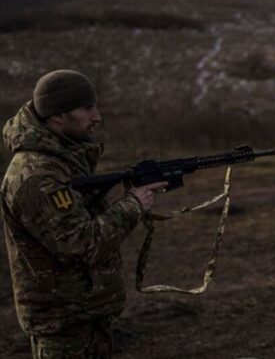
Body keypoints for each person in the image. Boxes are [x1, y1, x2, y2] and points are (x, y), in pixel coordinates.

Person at [1, 70, 167, 358]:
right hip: (63, 325)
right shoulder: (37, 175)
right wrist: (133, 205)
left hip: (83, 314)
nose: (97, 117)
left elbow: (76, 215)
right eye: (87, 108)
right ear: (58, 115)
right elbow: (81, 245)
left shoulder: (61, 159)